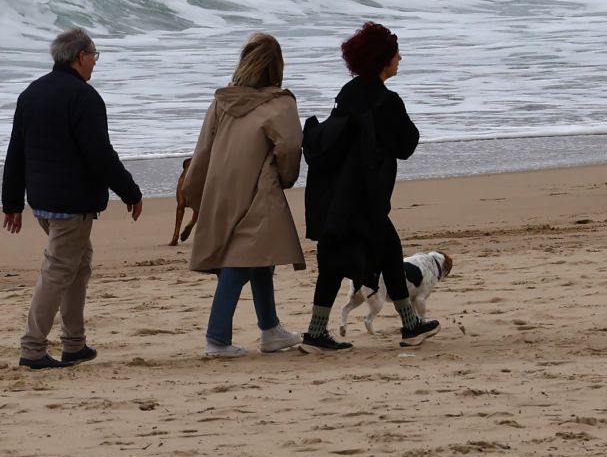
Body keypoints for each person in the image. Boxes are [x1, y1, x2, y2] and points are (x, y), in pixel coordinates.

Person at [1, 27, 143, 369]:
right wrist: (130, 191)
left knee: (77, 265)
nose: (95, 62)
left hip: (42, 202)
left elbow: (15, 152)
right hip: (71, 204)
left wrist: (13, 202)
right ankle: (32, 348)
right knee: (58, 270)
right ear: (80, 57)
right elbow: (100, 154)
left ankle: (74, 344)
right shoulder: (84, 97)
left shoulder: (32, 93)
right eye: (94, 55)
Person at [300, 20, 438, 350]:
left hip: (334, 194)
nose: (400, 59)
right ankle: (407, 326)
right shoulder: (386, 102)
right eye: (396, 54)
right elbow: (407, 145)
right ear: (382, 60)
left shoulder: (347, 94)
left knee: (356, 254)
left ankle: (404, 325)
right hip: (363, 196)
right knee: (380, 250)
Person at [180, 33, 307, 358]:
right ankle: (217, 337)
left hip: (221, 188)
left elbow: (203, 150)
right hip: (259, 189)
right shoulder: (280, 103)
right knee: (240, 262)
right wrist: (286, 177)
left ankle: (270, 330)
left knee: (259, 257)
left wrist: (195, 191)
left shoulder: (223, 101)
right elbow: (290, 148)